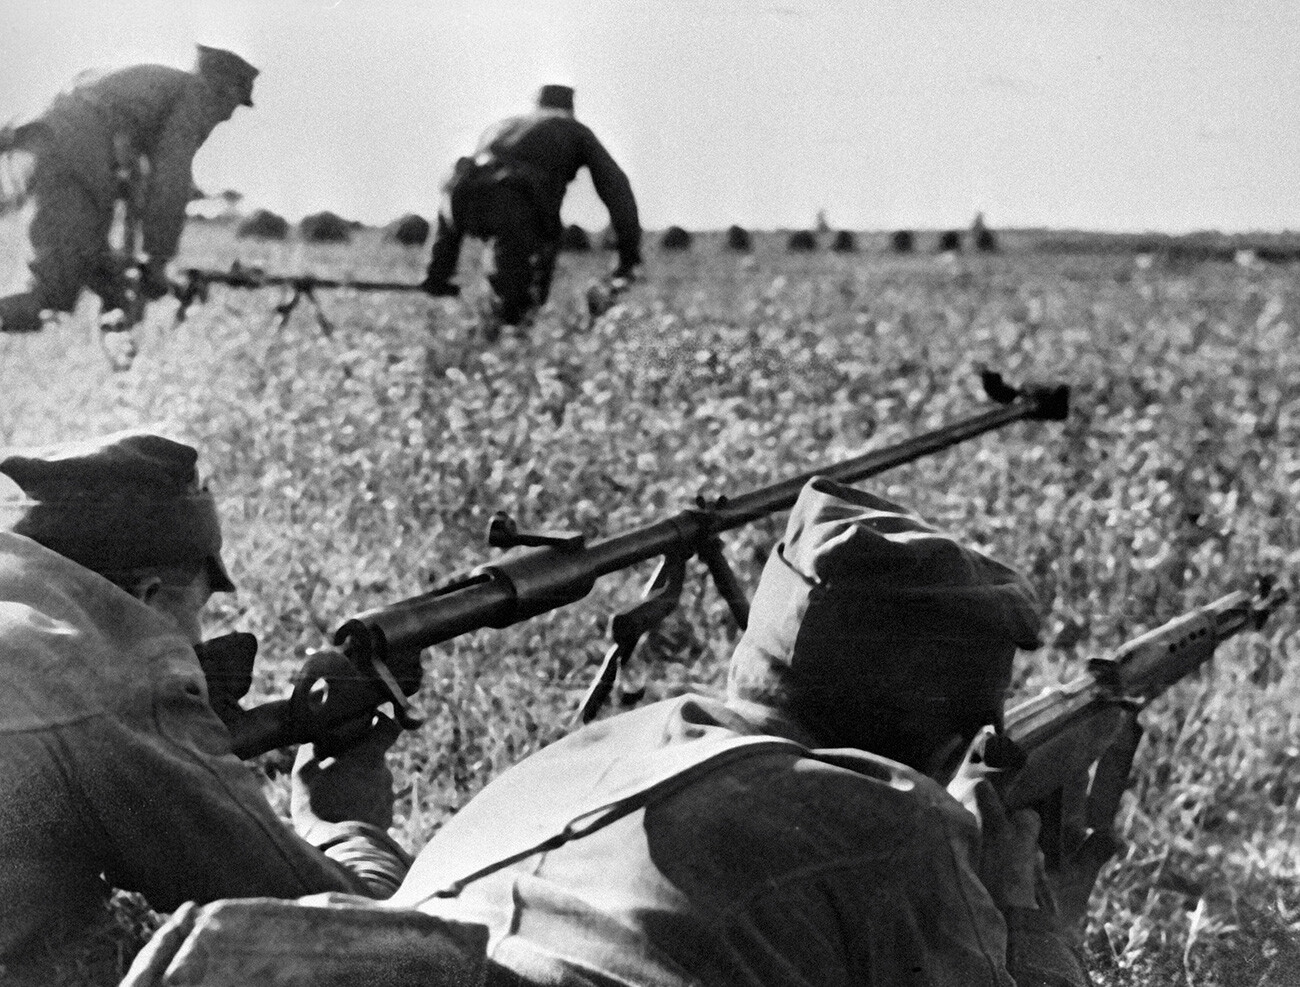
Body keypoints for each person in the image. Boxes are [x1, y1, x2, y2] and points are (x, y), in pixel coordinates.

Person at [126, 477, 1114, 987]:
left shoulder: (578, 754)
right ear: (949, 737)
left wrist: (349, 829)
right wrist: (1029, 902)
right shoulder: (888, 825)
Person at [0, 430, 411, 984]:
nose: (196, 637)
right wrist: (344, 818)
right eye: (197, 611)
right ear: (146, 596)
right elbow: (343, 928)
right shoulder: (115, 683)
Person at [0, 45, 258, 335]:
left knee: (110, 282)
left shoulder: (157, 95)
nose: (227, 117)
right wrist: (158, 261)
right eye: (233, 103)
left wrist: (140, 268)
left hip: (60, 144)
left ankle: (123, 375)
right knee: (49, 296)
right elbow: (169, 184)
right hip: (76, 152)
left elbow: (139, 190)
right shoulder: (193, 97)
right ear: (219, 90)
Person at [421, 83, 642, 329]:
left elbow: (467, 184)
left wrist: (439, 270)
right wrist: (628, 256)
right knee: (517, 305)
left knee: (502, 274)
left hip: (457, 193)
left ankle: (439, 277)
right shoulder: (574, 130)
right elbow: (616, 189)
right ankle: (509, 331)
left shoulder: (502, 125)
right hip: (512, 201)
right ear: (570, 108)